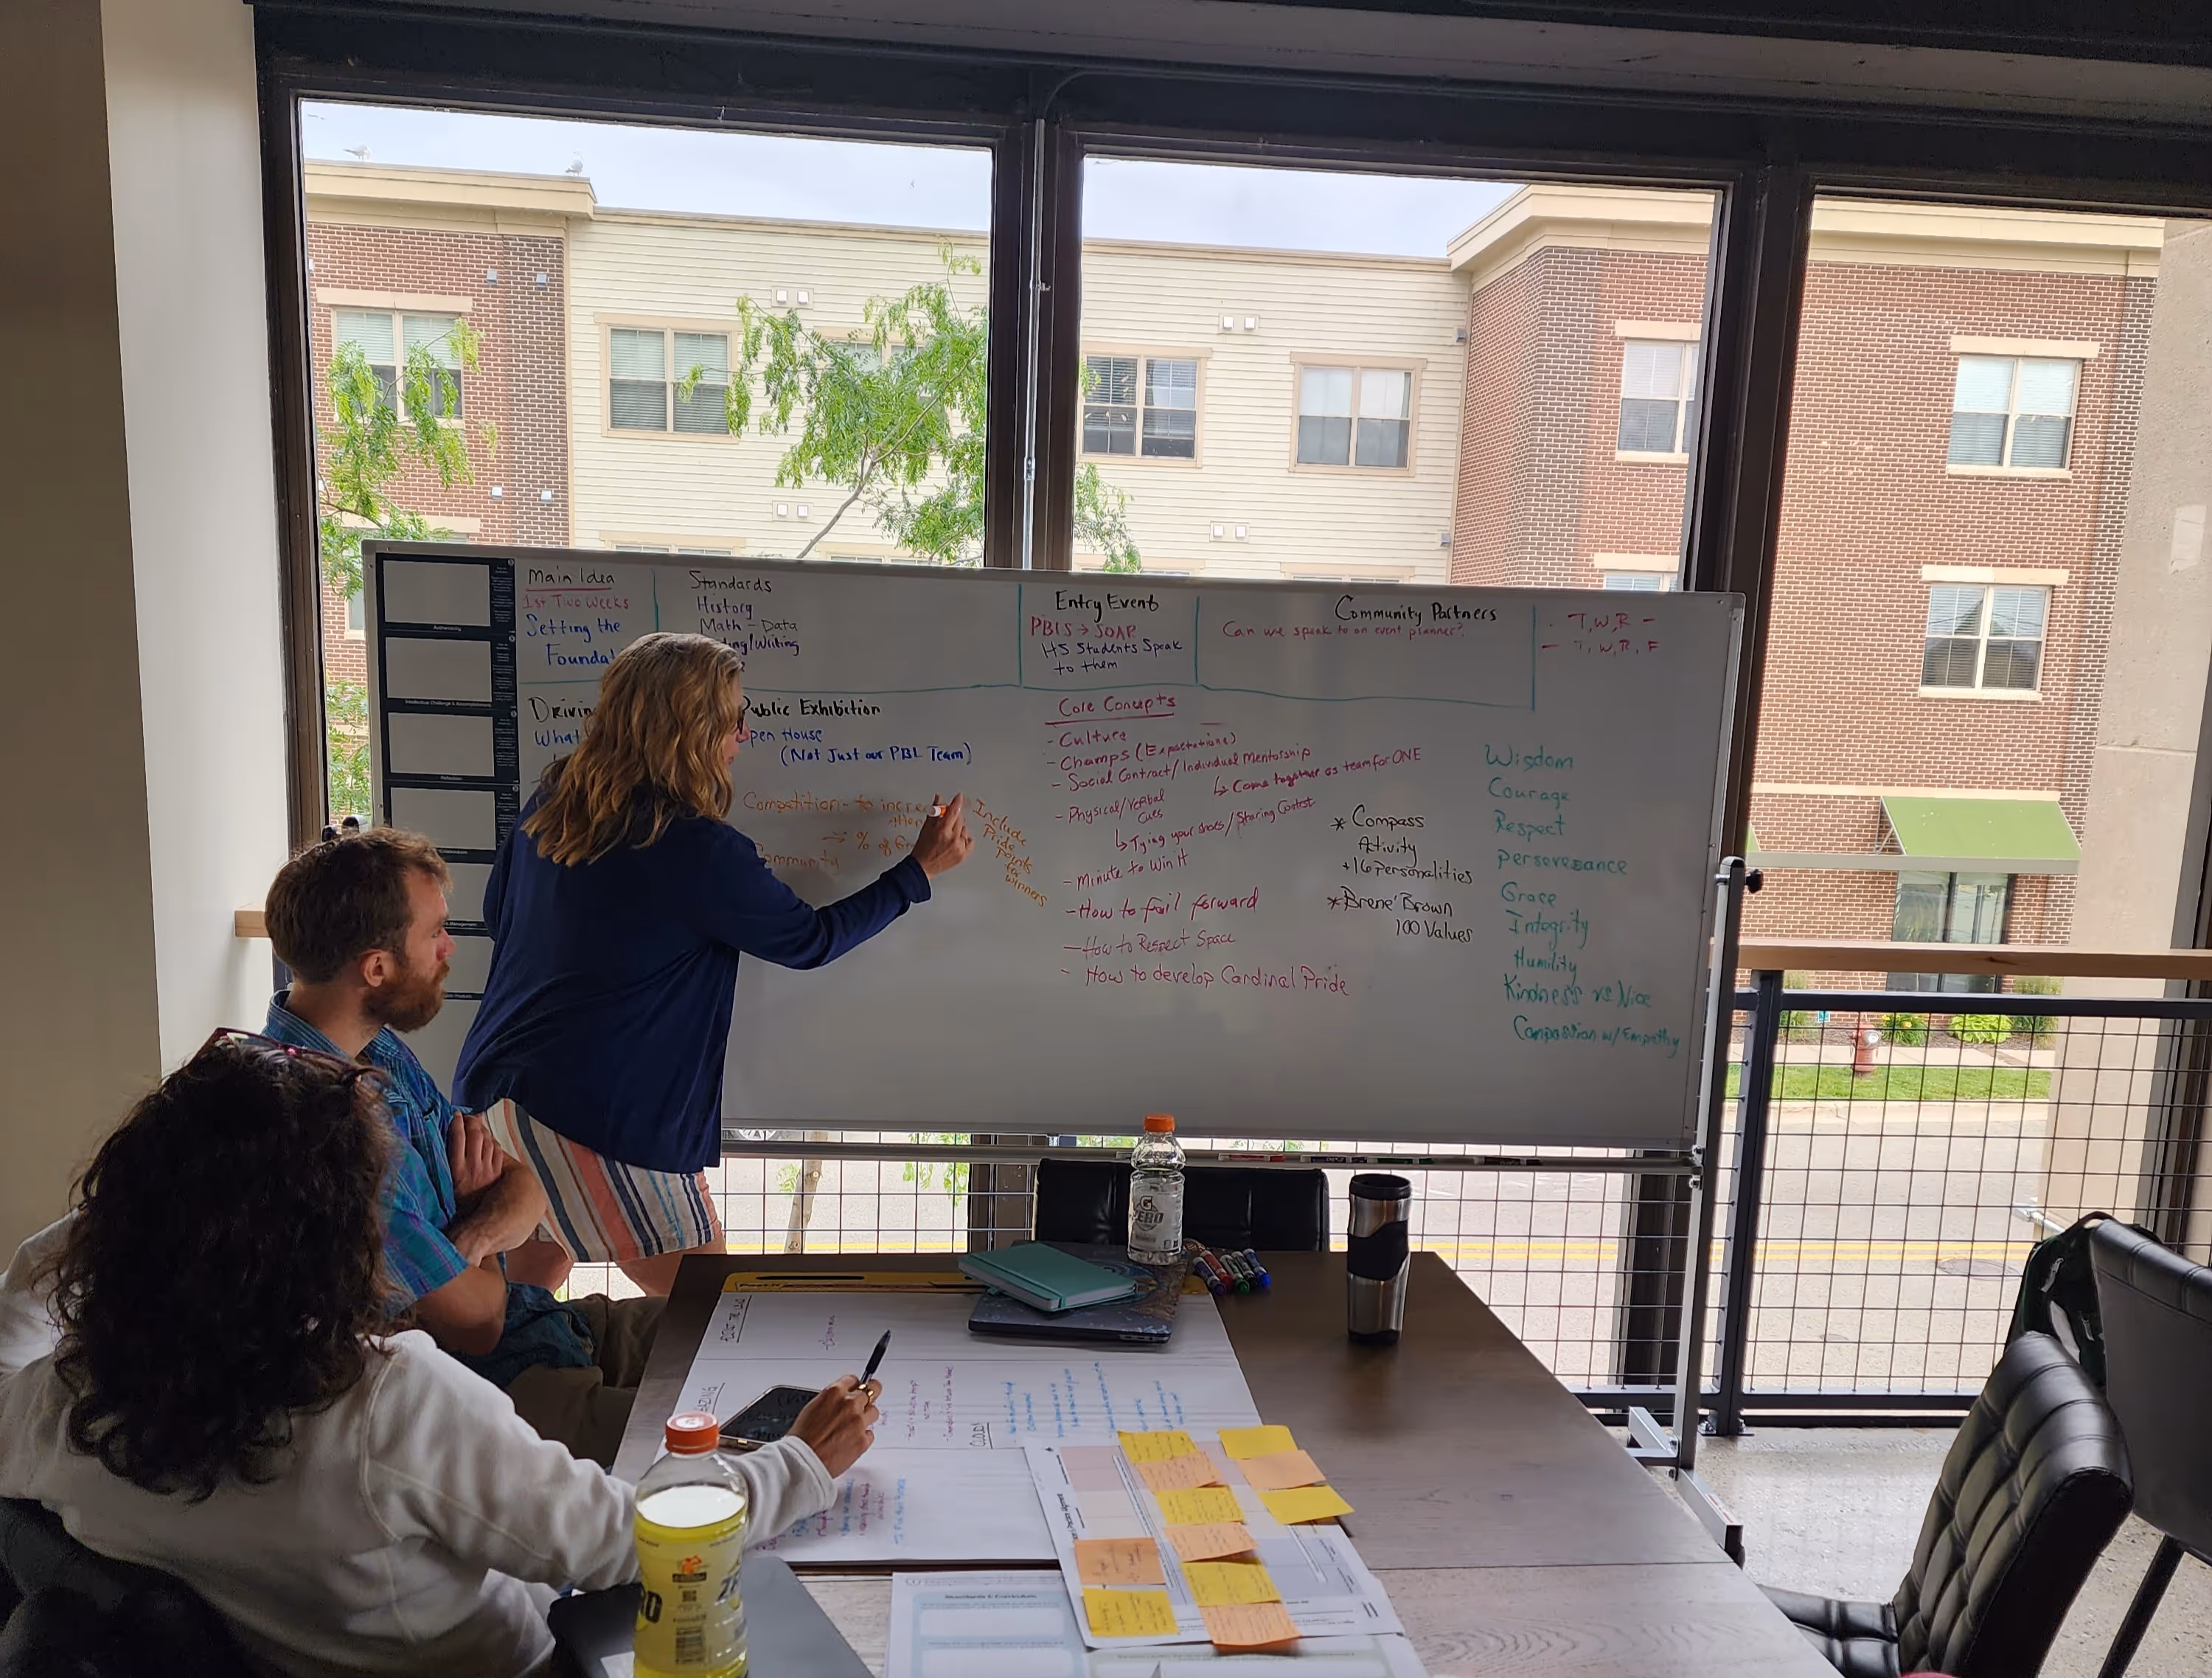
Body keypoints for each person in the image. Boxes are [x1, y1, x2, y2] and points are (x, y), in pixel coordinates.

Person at [0, 1034, 880, 1677]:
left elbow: (14, 1320)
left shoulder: (64, 1407)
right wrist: (797, 1461)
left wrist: (148, 1216)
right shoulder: (385, 1405)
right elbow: (621, 1539)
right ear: (332, 1239)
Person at [456, 632, 975, 1295]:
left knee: (519, 1302)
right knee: (710, 1312)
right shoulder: (694, 847)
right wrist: (917, 871)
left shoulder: (553, 803)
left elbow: (496, 913)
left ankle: (491, 1395)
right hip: (595, 1120)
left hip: (495, 1098)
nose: (745, 734)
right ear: (690, 731)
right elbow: (809, 942)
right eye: (734, 718)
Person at [263, 828, 648, 1468]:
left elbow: (521, 1188)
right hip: (490, 1392)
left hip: (539, 1326)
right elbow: (475, 1326)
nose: (450, 948)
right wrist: (483, 1227)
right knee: (731, 1438)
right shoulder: (319, 1125)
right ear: (377, 967)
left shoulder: (377, 1051)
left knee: (740, 1339)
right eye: (435, 932)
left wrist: (467, 1243)